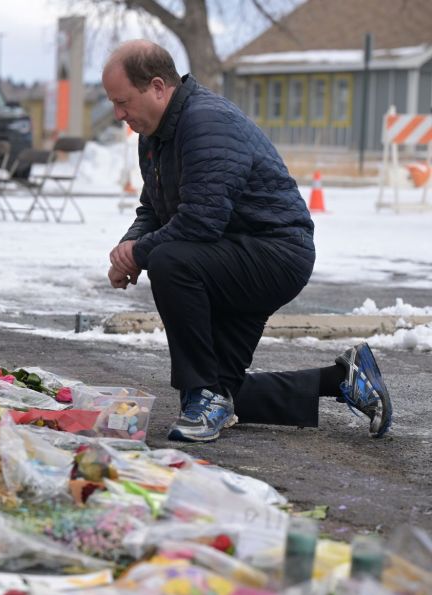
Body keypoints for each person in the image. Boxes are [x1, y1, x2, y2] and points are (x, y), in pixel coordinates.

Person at [102, 40, 392, 443]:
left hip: (272, 254)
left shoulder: (206, 122)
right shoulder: (155, 135)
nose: (119, 114)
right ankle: (343, 379)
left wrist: (142, 253)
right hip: (228, 255)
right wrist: (127, 248)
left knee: (169, 262)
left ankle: (206, 394)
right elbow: (153, 208)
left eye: (122, 102)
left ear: (156, 86)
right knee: (223, 391)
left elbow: (201, 220)